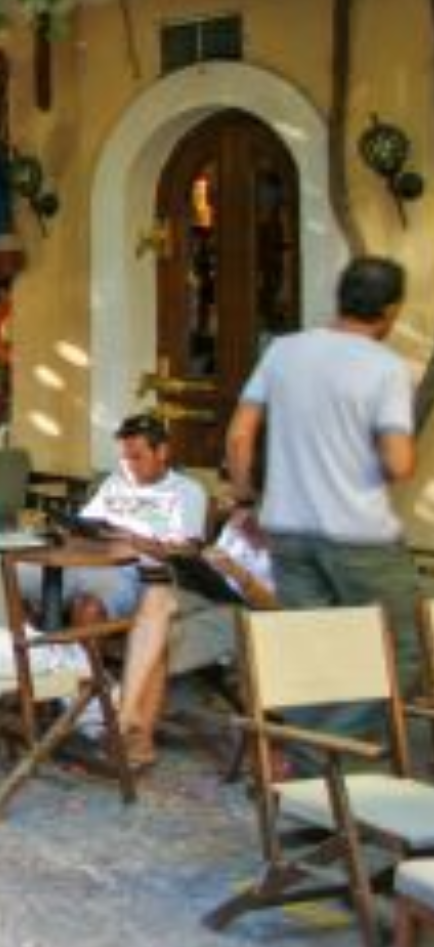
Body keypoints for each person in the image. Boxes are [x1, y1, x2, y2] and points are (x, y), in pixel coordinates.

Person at [225, 256, 420, 710]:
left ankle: (317, 765)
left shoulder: (282, 351)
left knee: (309, 653)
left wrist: (245, 501)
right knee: (405, 650)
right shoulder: (385, 367)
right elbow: (399, 461)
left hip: (288, 531)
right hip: (360, 536)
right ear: (390, 311)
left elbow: (238, 437)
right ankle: (344, 750)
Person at [61, 413, 210, 768]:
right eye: (124, 456)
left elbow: (187, 550)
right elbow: (88, 523)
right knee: (34, 587)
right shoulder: (115, 483)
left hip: (148, 578)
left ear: (162, 452)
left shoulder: (186, 492)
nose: (129, 464)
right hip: (101, 566)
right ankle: (85, 705)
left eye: (137, 456)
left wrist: (134, 539)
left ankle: (100, 714)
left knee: (89, 608)